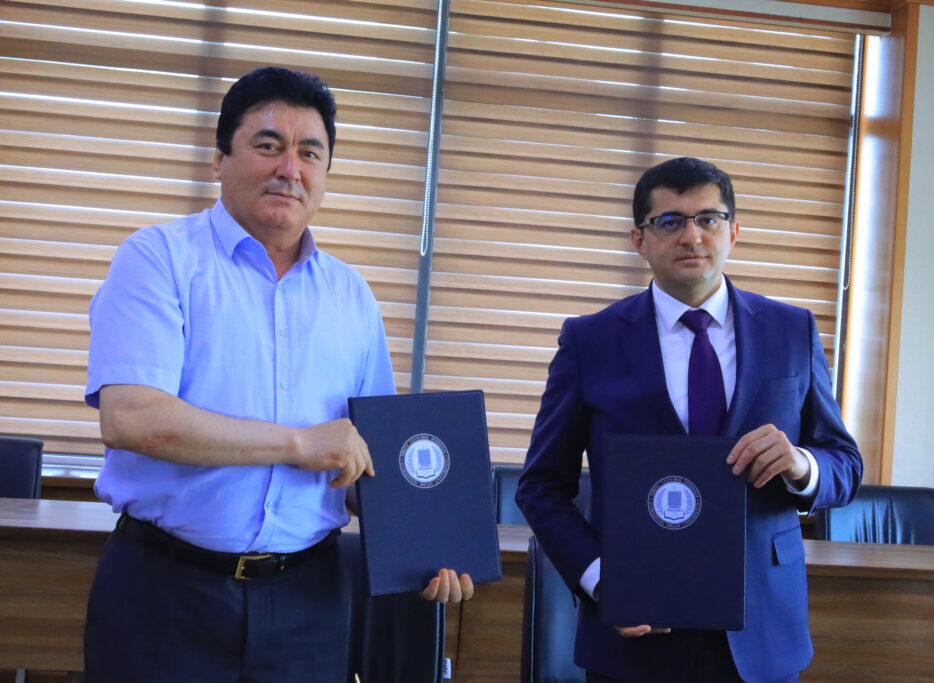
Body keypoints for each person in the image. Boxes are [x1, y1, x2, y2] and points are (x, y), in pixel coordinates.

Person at [83, 66, 472, 682]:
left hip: (309, 603)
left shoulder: (351, 295)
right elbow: (132, 418)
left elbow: (366, 459)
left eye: (309, 152)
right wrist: (297, 444)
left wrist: (428, 544)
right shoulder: (158, 259)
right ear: (220, 158)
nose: (290, 168)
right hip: (165, 593)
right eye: (268, 145)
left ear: (325, 173)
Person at [516, 157, 862, 683]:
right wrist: (606, 581)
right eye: (670, 221)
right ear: (639, 240)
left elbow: (845, 465)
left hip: (761, 630)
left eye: (708, 219)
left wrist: (801, 464)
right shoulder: (590, 341)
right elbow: (541, 486)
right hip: (636, 633)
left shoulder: (791, 330)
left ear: (733, 232)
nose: (692, 236)